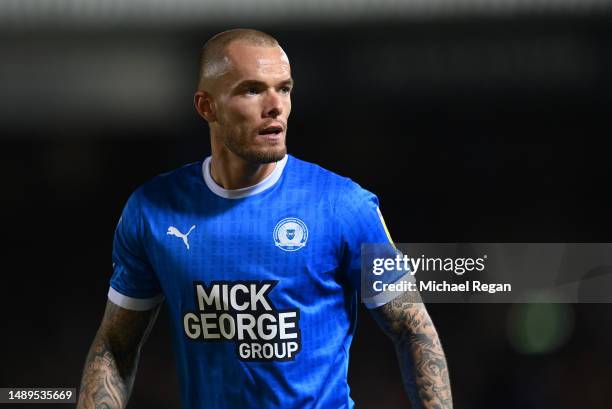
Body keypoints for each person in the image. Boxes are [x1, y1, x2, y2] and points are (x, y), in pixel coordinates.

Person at [76, 28, 452, 409]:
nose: (275, 105)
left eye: (284, 88)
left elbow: (412, 328)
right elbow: (115, 346)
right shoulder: (152, 211)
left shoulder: (343, 205)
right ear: (207, 106)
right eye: (252, 90)